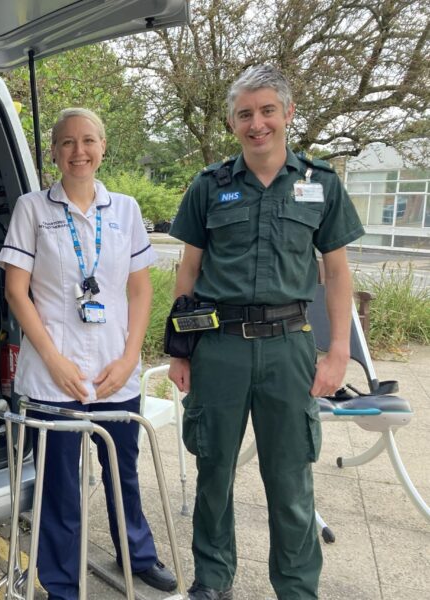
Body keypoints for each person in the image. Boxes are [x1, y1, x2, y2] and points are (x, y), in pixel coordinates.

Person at [168, 65, 364, 600]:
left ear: (288, 113)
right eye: (245, 114)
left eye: (267, 111)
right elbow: (188, 271)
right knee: (213, 476)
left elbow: (339, 272)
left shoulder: (320, 184)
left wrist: (339, 350)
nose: (257, 124)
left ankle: (298, 589)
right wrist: (180, 351)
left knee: (291, 482)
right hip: (220, 349)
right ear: (233, 122)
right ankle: (212, 581)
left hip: (289, 348)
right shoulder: (209, 187)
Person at [0, 107, 178, 599]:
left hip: (116, 372)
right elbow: (18, 292)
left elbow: (140, 292)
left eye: (89, 141)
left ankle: (137, 556)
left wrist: (128, 358)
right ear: (53, 152)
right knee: (60, 485)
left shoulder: (126, 210)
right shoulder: (32, 209)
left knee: (124, 472)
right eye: (67, 142)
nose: (79, 151)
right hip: (53, 377)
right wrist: (54, 361)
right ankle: (60, 582)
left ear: (103, 148)